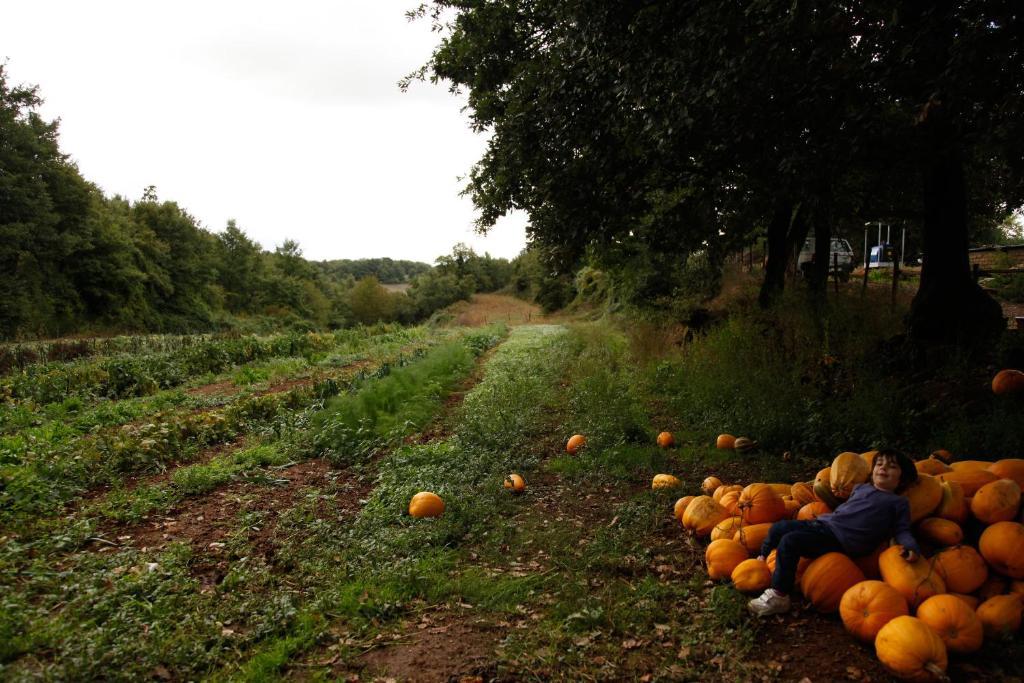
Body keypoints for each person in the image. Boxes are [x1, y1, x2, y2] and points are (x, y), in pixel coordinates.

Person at [748, 449, 921, 617]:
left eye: (891, 466)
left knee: (791, 541)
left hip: (842, 540)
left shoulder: (898, 503)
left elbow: (902, 529)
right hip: (824, 524)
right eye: (879, 464)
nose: (883, 468)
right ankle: (762, 558)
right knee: (780, 527)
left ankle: (779, 595)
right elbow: (846, 510)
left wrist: (910, 546)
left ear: (903, 478)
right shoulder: (860, 488)